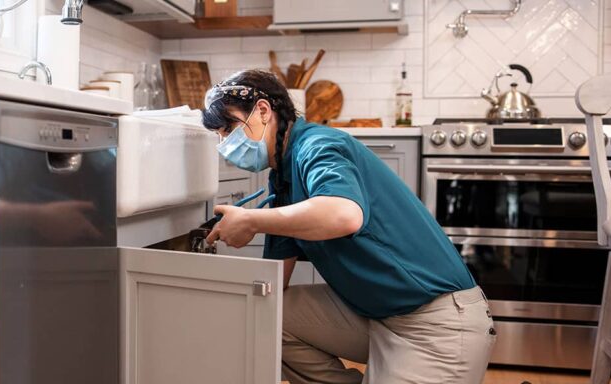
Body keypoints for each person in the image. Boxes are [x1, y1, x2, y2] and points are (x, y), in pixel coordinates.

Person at [202, 70, 496, 384]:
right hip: (378, 312)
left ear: (262, 110)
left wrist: (250, 220)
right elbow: (275, 283)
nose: (225, 145)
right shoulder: (282, 176)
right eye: (219, 136)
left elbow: (344, 215)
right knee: (270, 316)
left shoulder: (317, 145)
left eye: (229, 128)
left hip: (438, 325)